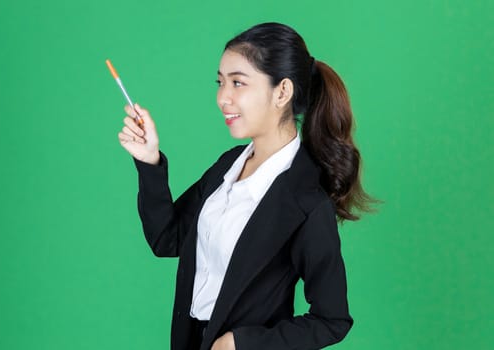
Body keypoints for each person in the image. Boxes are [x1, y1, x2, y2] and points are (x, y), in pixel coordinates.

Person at [118, 22, 374, 350]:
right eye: (220, 82)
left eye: (238, 83)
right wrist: (149, 161)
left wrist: (242, 343)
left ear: (282, 92)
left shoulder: (307, 201)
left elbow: (332, 320)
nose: (223, 98)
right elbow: (168, 240)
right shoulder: (228, 165)